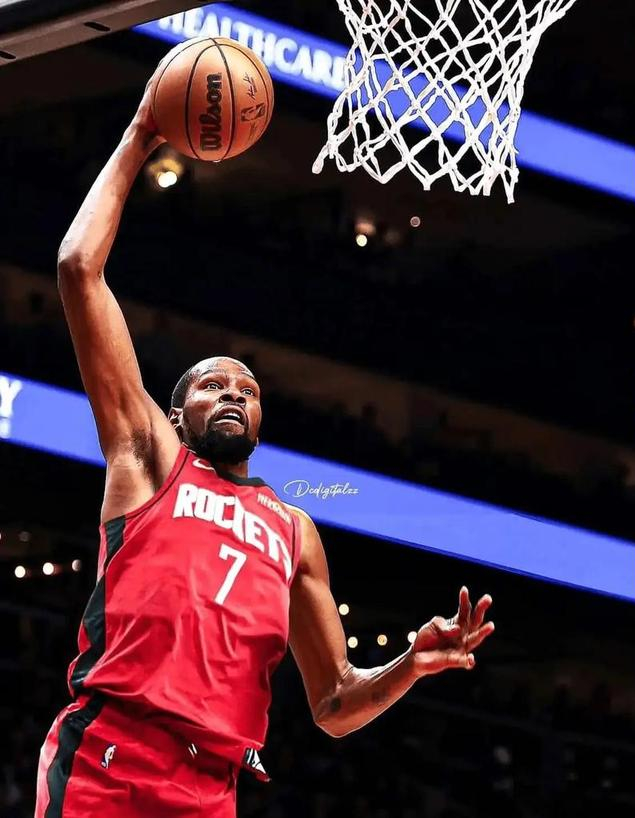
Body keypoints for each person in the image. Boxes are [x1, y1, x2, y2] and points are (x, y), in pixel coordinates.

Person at [34, 65, 495, 818]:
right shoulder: (150, 460)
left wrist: (409, 665)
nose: (233, 393)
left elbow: (335, 702)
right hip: (114, 757)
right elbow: (78, 270)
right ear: (175, 416)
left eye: (247, 389)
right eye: (212, 385)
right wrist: (142, 132)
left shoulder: (294, 531)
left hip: (213, 787)